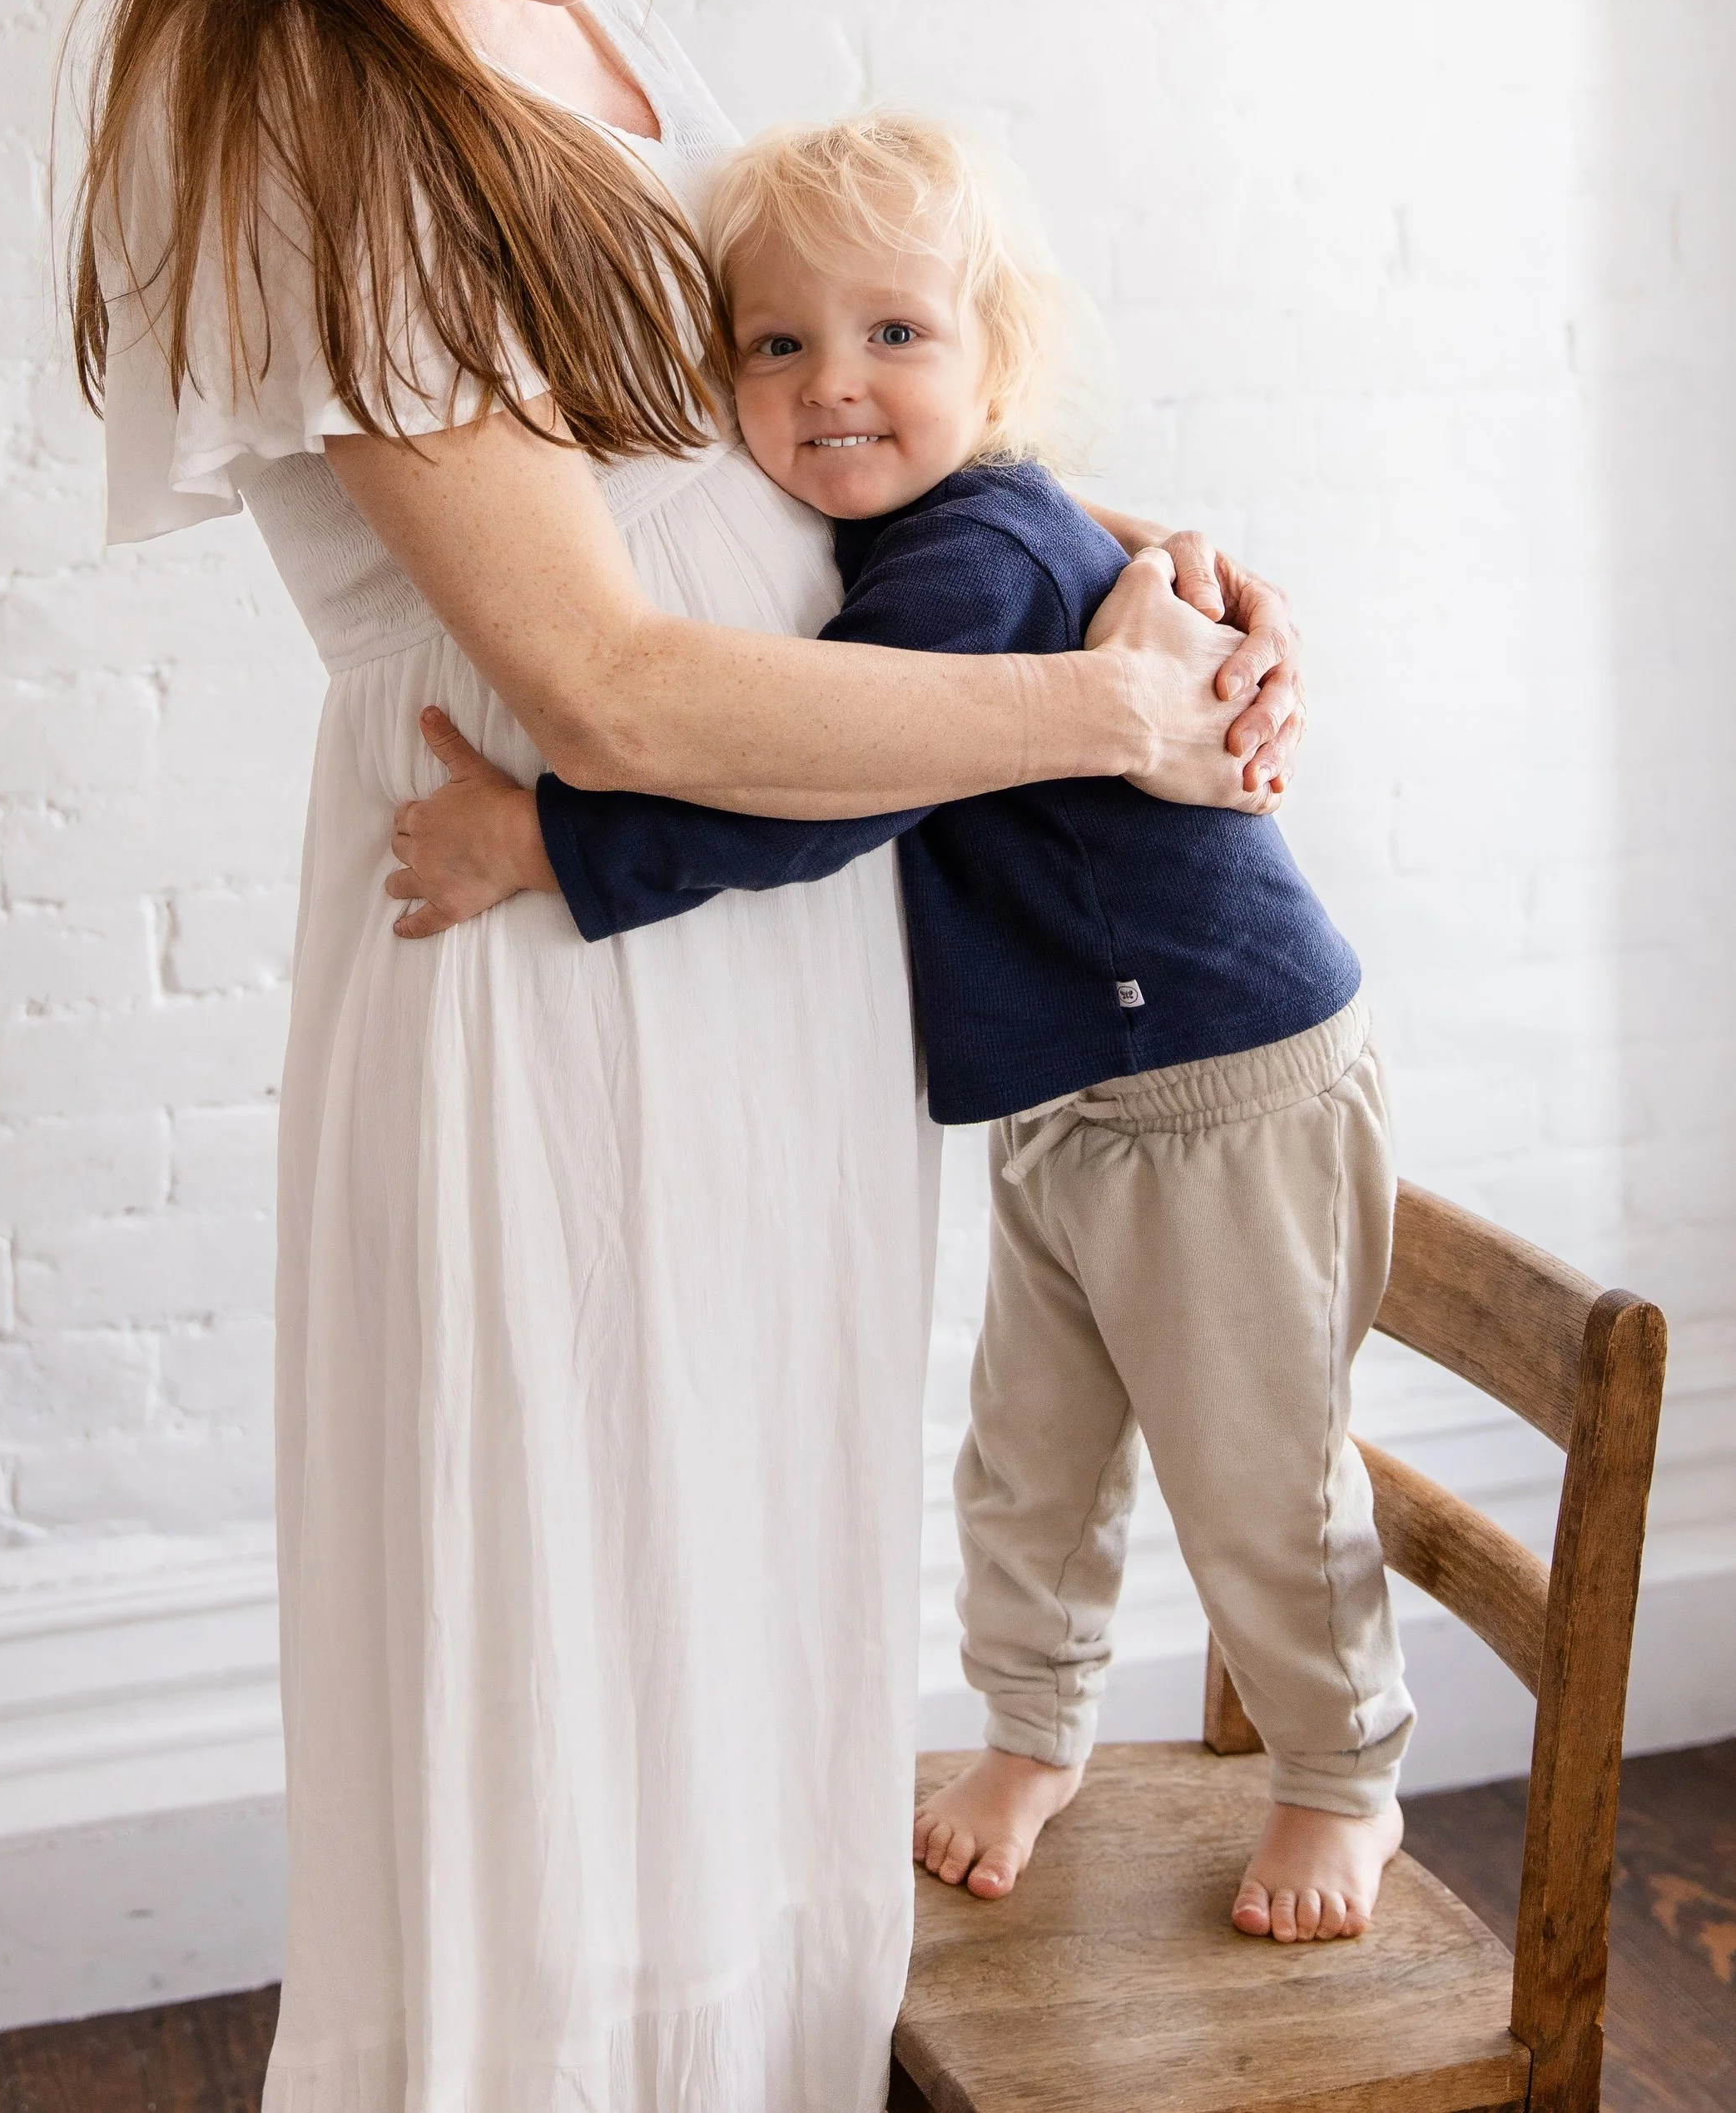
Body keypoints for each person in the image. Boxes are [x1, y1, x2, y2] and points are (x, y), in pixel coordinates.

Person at [72, 0, 1307, 2112]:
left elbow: (793, 420)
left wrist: (1121, 549)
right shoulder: (309, 114)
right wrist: (1100, 713)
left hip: (757, 962)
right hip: (552, 972)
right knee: (566, 1665)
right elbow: (612, 683)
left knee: (742, 1633)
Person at [384, 111, 1409, 1951]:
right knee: (1027, 1458)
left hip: (1221, 1086)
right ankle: (1033, 1727)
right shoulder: (926, 537)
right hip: (1079, 1094)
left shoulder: (972, 555)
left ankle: (1342, 1772)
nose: (830, 383)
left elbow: (816, 791)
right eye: (776, 343)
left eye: (894, 335)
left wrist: (547, 840)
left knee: (1255, 1467)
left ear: (991, 366)